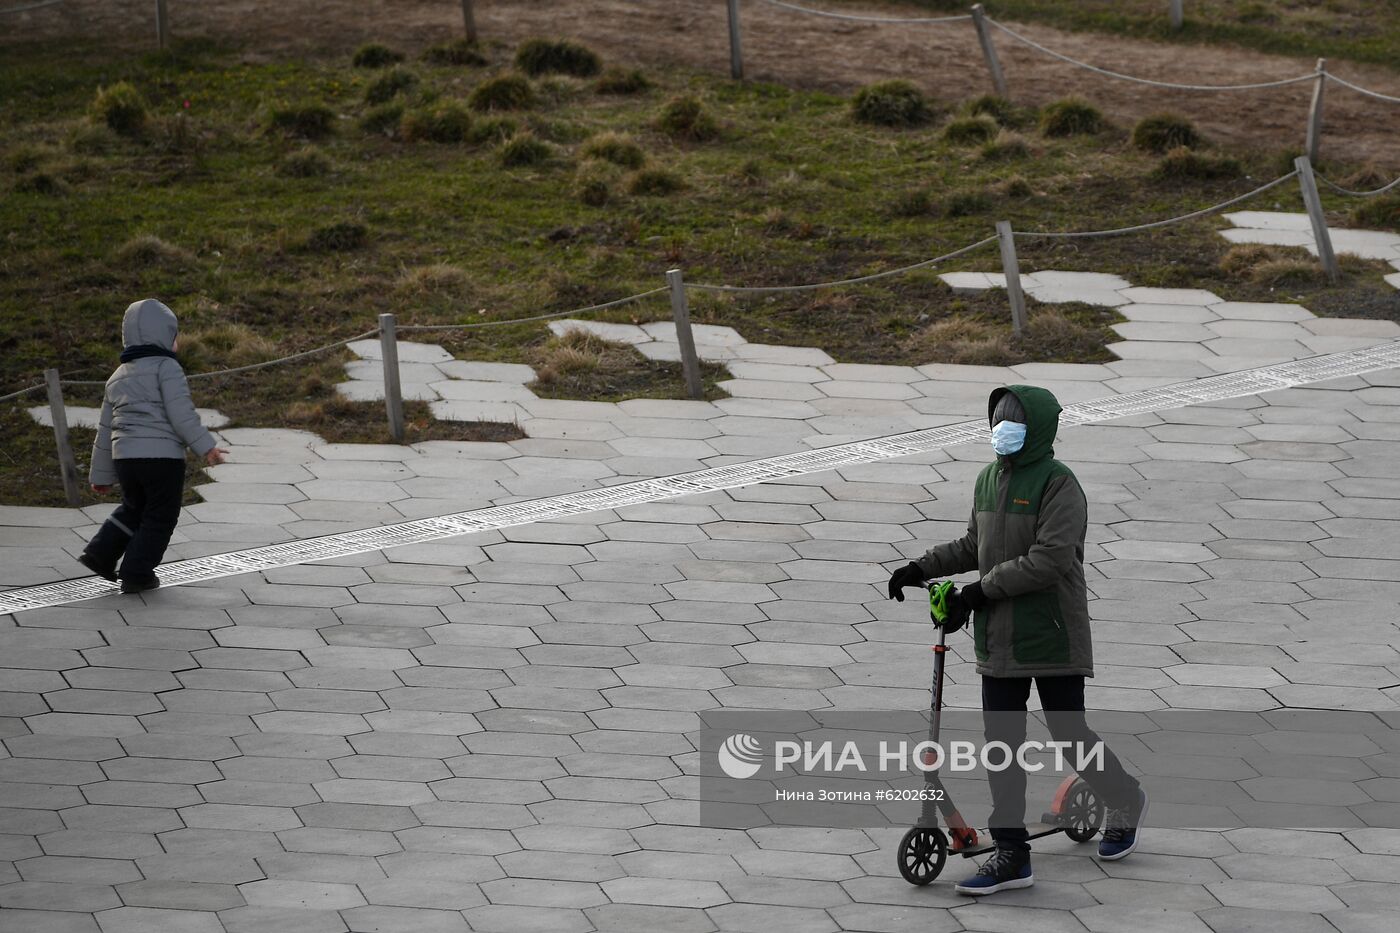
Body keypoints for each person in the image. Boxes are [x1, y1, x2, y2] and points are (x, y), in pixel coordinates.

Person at [888, 385, 1147, 896]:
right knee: (1002, 748)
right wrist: (920, 567)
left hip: (1051, 634)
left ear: (1039, 429)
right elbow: (973, 544)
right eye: (998, 419)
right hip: (1000, 640)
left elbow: (1050, 560)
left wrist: (979, 592)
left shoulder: (1059, 484)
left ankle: (1125, 798)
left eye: (1013, 421)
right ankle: (1011, 855)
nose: (1002, 428)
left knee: (1069, 732)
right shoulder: (988, 479)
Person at [80, 298, 228, 593]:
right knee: (160, 515)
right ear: (165, 338)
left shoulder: (116, 377)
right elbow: (180, 413)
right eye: (175, 336)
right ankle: (137, 572)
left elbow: (105, 430)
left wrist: (101, 476)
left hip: (126, 460)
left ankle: (100, 554)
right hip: (162, 458)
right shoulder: (167, 368)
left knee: (133, 508)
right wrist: (205, 446)